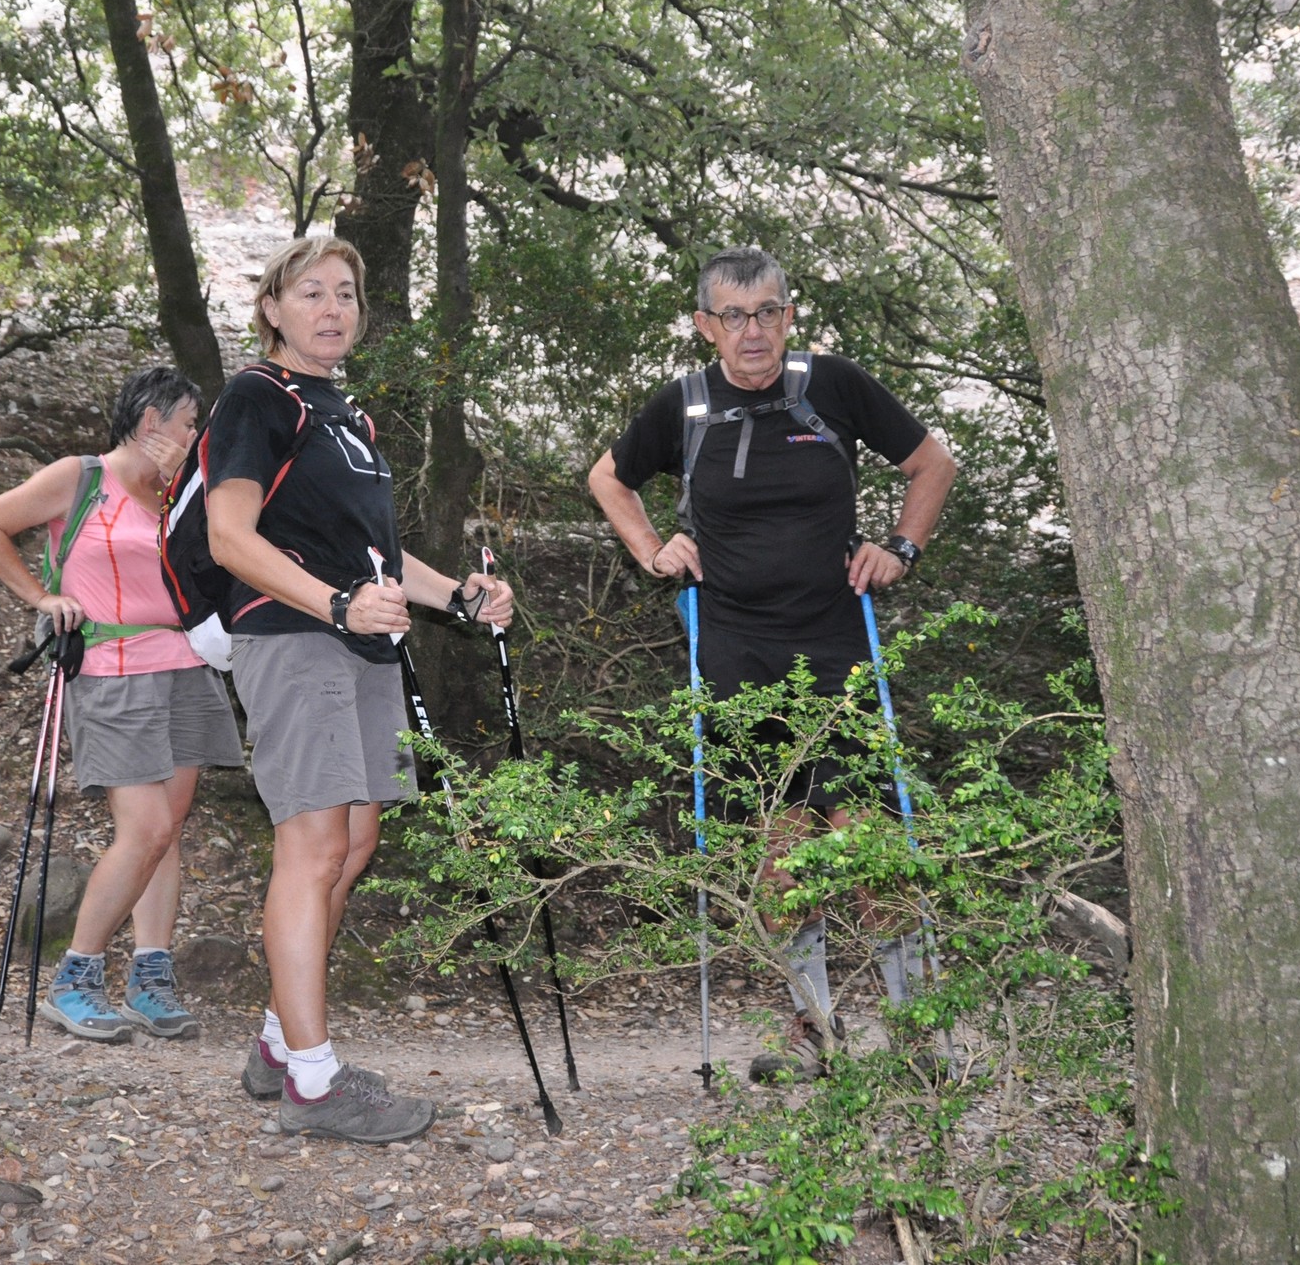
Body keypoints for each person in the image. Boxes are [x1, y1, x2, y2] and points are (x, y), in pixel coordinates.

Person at [586, 245, 957, 1070]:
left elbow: (932, 462)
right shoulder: (686, 405)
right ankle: (811, 1027)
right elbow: (609, 478)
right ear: (704, 324)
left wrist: (901, 547)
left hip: (835, 641)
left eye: (766, 313)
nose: (752, 331)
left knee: (867, 839)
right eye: (733, 315)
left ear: (789, 315)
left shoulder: (832, 385)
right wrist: (654, 548)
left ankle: (916, 1027)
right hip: (736, 650)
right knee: (779, 844)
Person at [205, 235, 512, 1145]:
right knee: (312, 846)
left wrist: (459, 596)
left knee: (355, 840)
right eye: (312, 292)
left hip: (365, 645)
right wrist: (336, 604)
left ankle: (278, 1043)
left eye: (346, 292)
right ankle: (313, 1081)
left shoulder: (346, 416)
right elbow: (229, 536)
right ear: (273, 308)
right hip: (294, 638)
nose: (333, 307)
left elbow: (381, 557)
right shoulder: (255, 397)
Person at [0, 366, 244, 1042]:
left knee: (168, 830)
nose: (195, 435)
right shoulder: (81, 476)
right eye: (188, 423)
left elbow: (217, 570)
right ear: (151, 421)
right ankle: (75, 978)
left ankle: (150, 977)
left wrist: (186, 491)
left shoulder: (182, 492)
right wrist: (41, 597)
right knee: (145, 828)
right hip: (112, 668)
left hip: (186, 666)